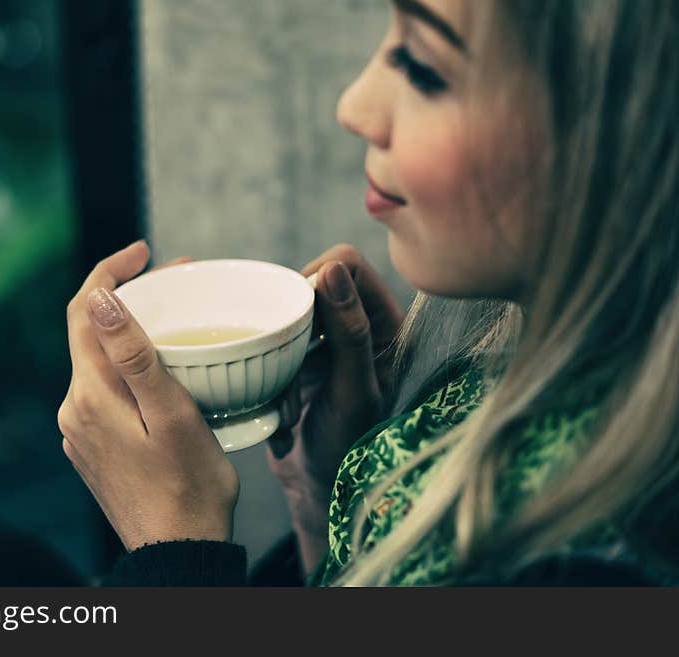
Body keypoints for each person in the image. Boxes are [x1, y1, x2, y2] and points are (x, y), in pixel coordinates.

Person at [57, 0, 679, 586]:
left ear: (625, 133)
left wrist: (172, 551)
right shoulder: (512, 389)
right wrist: (334, 500)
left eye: (423, 69)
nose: (354, 107)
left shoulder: (595, 565)